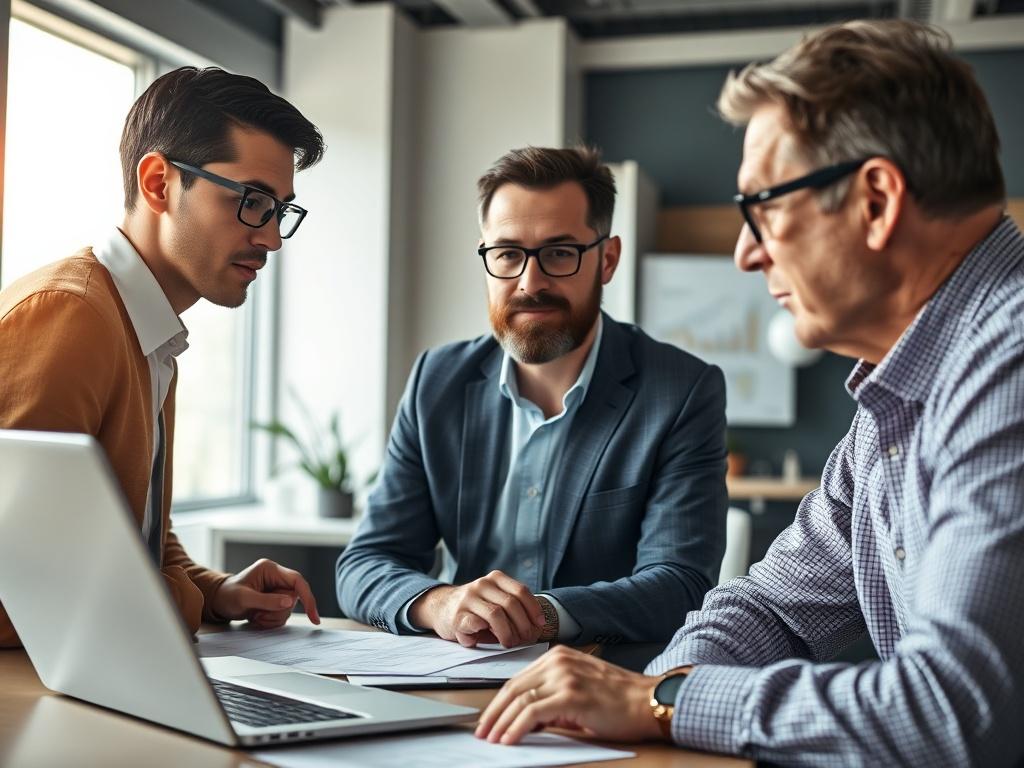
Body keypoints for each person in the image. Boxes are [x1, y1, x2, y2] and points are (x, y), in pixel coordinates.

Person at [476, 20, 1024, 767]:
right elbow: (769, 608)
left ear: (874, 200)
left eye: (761, 207)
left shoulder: (1008, 364)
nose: (745, 252)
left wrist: (658, 702)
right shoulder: (895, 402)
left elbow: (952, 715)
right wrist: (649, 694)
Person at [337, 146, 727, 649]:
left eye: (560, 253)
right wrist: (442, 604)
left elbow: (680, 585)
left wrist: (541, 615)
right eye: (507, 253)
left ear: (606, 260)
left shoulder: (680, 391)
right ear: (485, 257)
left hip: (599, 683)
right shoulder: (437, 380)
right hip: (457, 672)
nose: (530, 282)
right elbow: (364, 563)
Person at [0, 66, 326, 648]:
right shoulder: (71, 316)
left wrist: (219, 590)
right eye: (253, 201)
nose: (272, 238)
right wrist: (188, 600)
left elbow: (131, 529)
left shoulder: (148, 329)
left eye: (280, 210)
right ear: (158, 183)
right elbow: (19, 576)